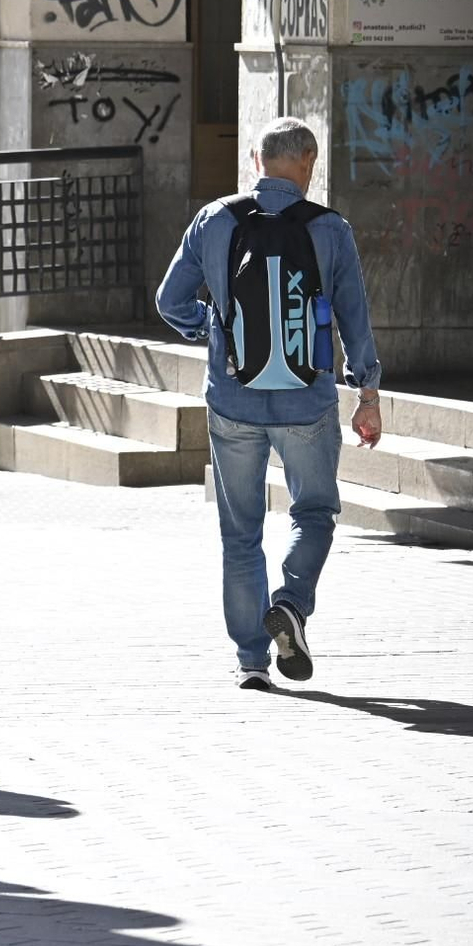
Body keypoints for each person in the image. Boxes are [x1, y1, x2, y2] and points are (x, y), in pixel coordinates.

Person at [156, 116, 382, 691]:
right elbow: (354, 319)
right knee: (313, 514)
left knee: (240, 533)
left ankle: (252, 661)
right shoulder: (331, 228)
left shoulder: (214, 220)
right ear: (309, 163)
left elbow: (169, 300)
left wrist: (211, 328)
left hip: (233, 400)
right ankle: (291, 604)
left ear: (256, 162)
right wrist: (367, 392)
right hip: (307, 401)